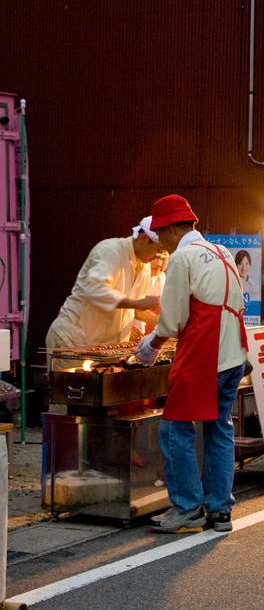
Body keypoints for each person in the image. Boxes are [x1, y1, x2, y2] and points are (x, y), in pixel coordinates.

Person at [136, 195, 248, 534]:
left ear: (171, 229)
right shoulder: (221, 251)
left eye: (159, 236)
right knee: (219, 428)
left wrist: (150, 346)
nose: (160, 245)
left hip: (205, 351)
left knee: (174, 430)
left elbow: (172, 321)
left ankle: (186, 507)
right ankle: (220, 509)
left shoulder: (182, 257)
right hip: (234, 352)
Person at [45, 216, 165, 369]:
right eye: (157, 250)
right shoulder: (110, 250)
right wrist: (138, 303)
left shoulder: (144, 265)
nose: (156, 257)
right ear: (142, 238)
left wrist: (163, 323)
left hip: (105, 349)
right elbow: (97, 292)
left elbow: (135, 310)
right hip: (74, 342)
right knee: (75, 391)